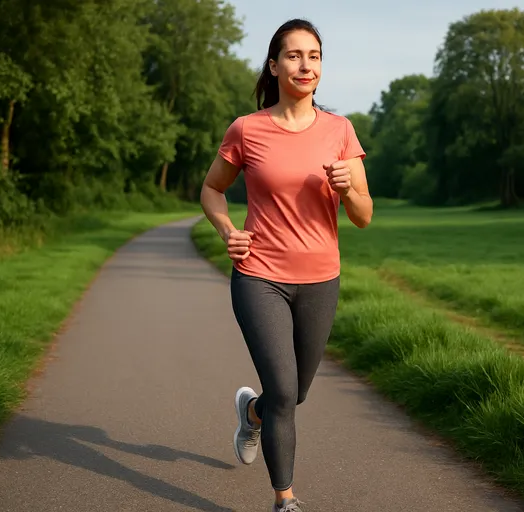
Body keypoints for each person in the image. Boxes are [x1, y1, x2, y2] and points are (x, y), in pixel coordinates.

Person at [199, 18, 373, 512]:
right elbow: (212, 189)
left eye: (313, 55)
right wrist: (229, 231)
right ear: (274, 66)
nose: (305, 64)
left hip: (321, 280)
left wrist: (349, 190)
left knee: (292, 396)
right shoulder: (247, 130)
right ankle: (286, 500)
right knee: (283, 389)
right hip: (259, 277)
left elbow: (363, 216)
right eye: (294, 55)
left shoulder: (341, 131)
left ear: (321, 67)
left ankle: (250, 413)